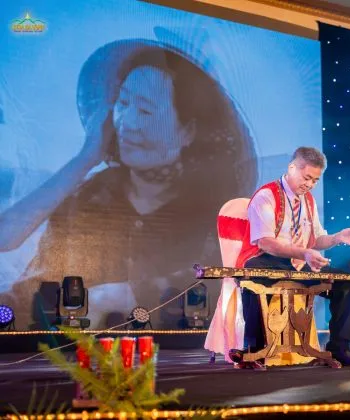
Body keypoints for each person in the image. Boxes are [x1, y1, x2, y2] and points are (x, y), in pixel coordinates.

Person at [0, 35, 257, 329]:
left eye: (146, 111)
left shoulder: (216, 214)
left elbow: (226, 286)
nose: (128, 123)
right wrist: (86, 156)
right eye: (123, 103)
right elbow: (29, 281)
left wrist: (129, 293)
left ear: (188, 132)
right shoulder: (85, 198)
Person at [229, 147, 350, 367]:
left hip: (298, 262)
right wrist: (303, 252)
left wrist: (337, 238)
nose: (310, 184)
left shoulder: (308, 200)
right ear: (292, 168)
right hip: (266, 257)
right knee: (254, 276)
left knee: (344, 283)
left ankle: (339, 349)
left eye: (315, 180)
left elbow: (315, 239)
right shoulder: (266, 196)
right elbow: (265, 242)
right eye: (307, 178)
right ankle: (253, 350)